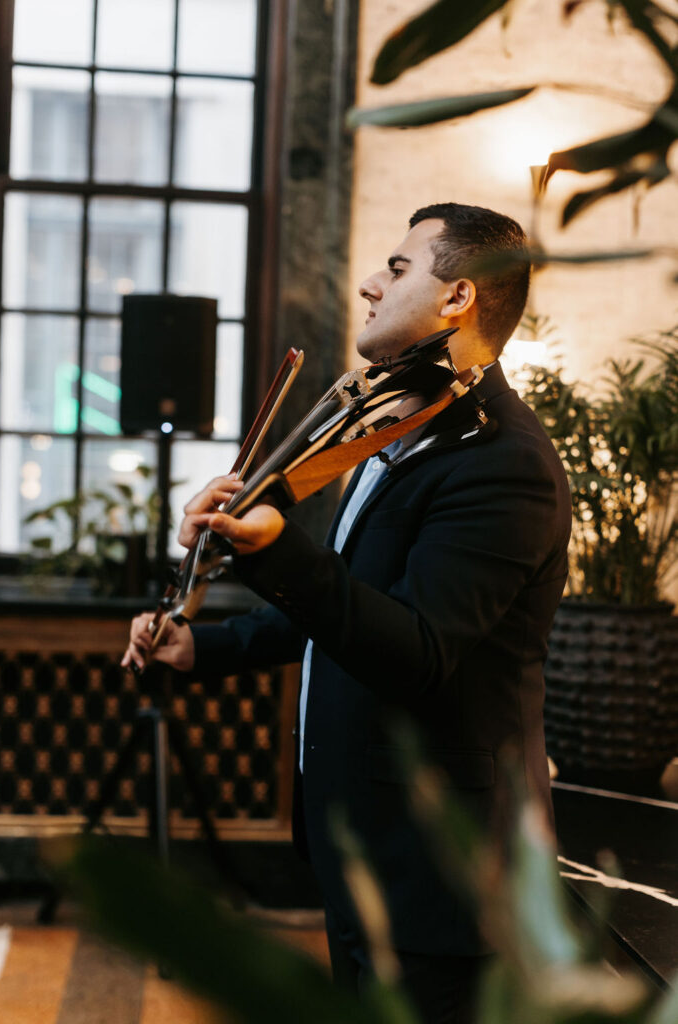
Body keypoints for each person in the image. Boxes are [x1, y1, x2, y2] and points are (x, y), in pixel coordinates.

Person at [123, 202, 571, 1024]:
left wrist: (270, 549)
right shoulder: (391, 433)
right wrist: (203, 646)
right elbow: (345, 609)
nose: (369, 283)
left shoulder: (504, 464)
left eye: (397, 269)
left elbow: (416, 649)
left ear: (457, 298)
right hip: (360, 851)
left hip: (443, 874)